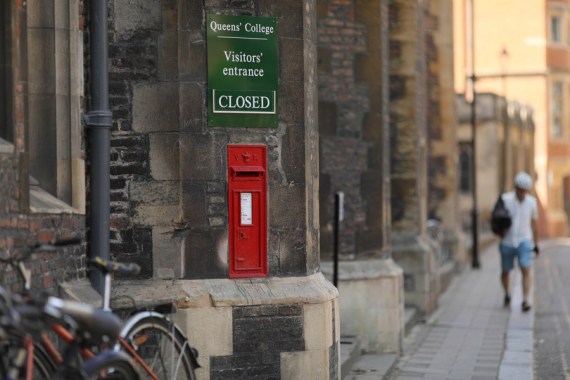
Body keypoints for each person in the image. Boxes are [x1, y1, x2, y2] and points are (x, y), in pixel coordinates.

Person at [498, 171, 539, 312]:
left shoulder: (532, 202)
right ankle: (507, 294)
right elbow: (494, 217)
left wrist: (536, 244)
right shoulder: (505, 199)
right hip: (507, 240)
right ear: (515, 187)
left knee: (526, 269)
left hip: (524, 240)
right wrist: (499, 230)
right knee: (505, 271)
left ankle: (525, 300)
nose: (522, 193)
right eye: (520, 190)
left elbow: (534, 224)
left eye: (524, 190)